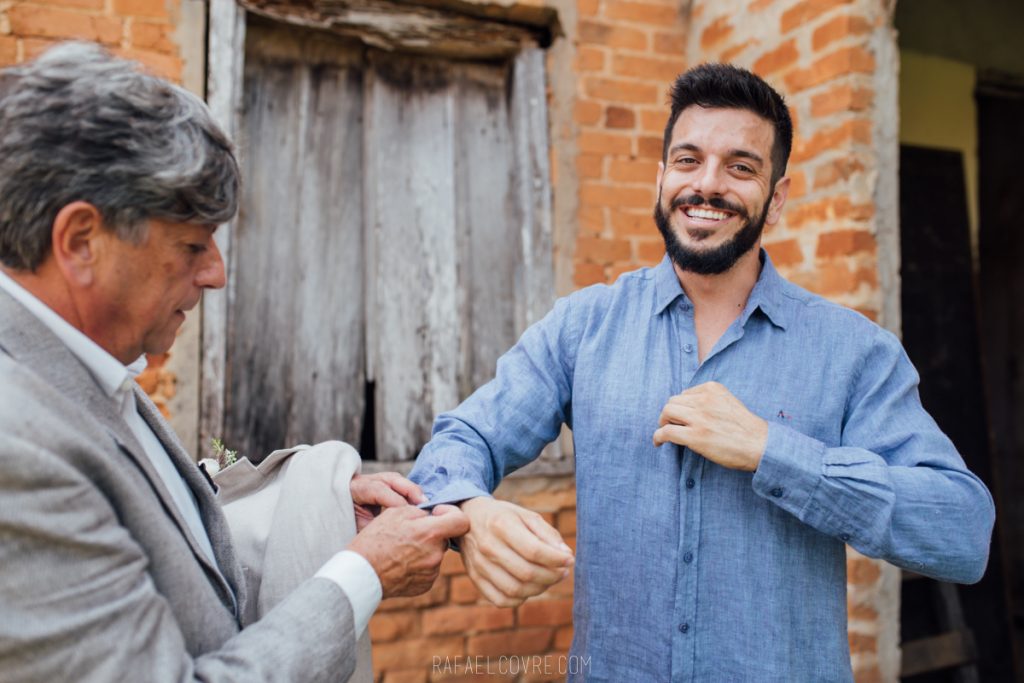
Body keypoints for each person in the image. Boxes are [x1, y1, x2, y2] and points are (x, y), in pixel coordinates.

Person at [409, 63, 995, 681]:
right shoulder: (583, 326)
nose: (708, 185)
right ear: (661, 179)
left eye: (741, 167)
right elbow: (460, 441)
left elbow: (961, 530)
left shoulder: (854, 352)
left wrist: (773, 450)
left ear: (777, 197)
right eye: (688, 161)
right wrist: (472, 509)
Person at [0, 43, 469, 682]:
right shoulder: (16, 446)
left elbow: (168, 516)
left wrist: (325, 505)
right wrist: (365, 571)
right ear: (82, 241)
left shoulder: (88, 368)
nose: (216, 275)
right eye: (192, 245)